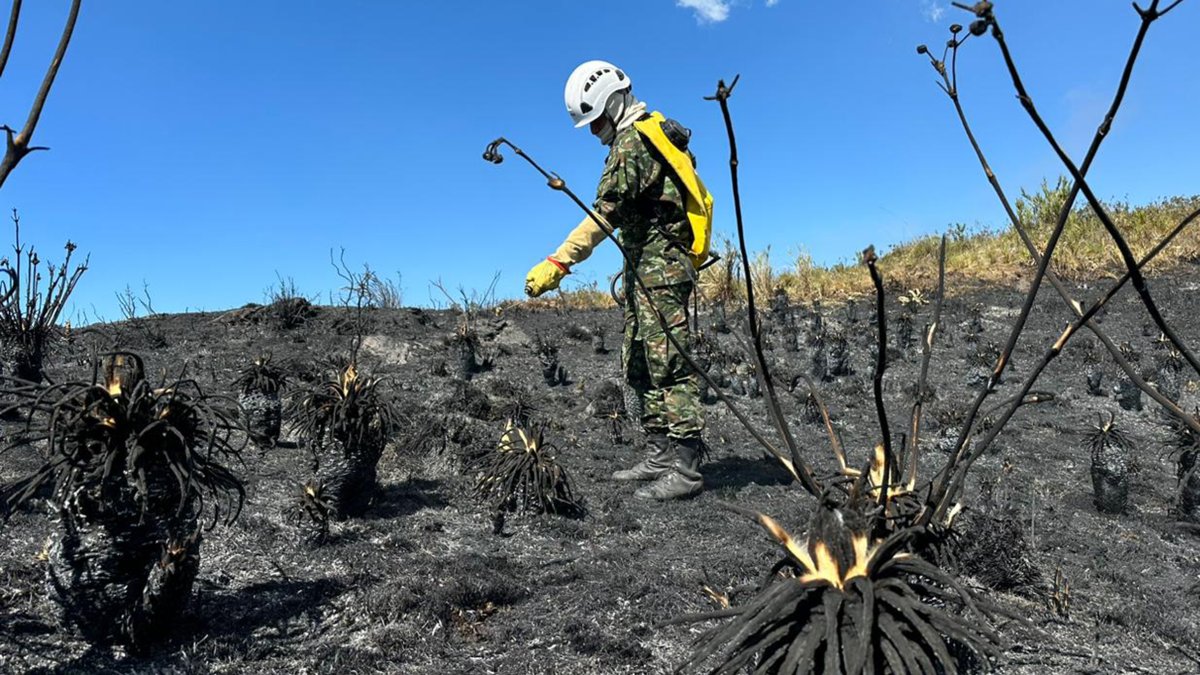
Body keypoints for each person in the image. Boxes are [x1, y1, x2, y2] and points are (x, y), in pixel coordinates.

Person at [524, 60, 713, 501]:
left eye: (596, 121)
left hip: (661, 269)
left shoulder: (634, 143)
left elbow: (603, 214)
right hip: (644, 267)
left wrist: (560, 261)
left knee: (669, 363)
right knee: (640, 361)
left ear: (612, 101)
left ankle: (685, 470)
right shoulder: (638, 137)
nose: (594, 132)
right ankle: (660, 456)